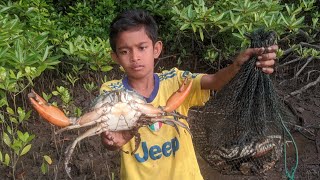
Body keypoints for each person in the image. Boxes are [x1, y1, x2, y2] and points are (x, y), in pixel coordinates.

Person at [100, 9, 278, 180]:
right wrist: (114, 140)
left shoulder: (176, 80)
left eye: (141, 48)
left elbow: (214, 80)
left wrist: (237, 67)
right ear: (115, 57)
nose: (134, 57)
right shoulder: (112, 92)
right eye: (124, 51)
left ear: (156, 49)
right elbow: (110, 139)